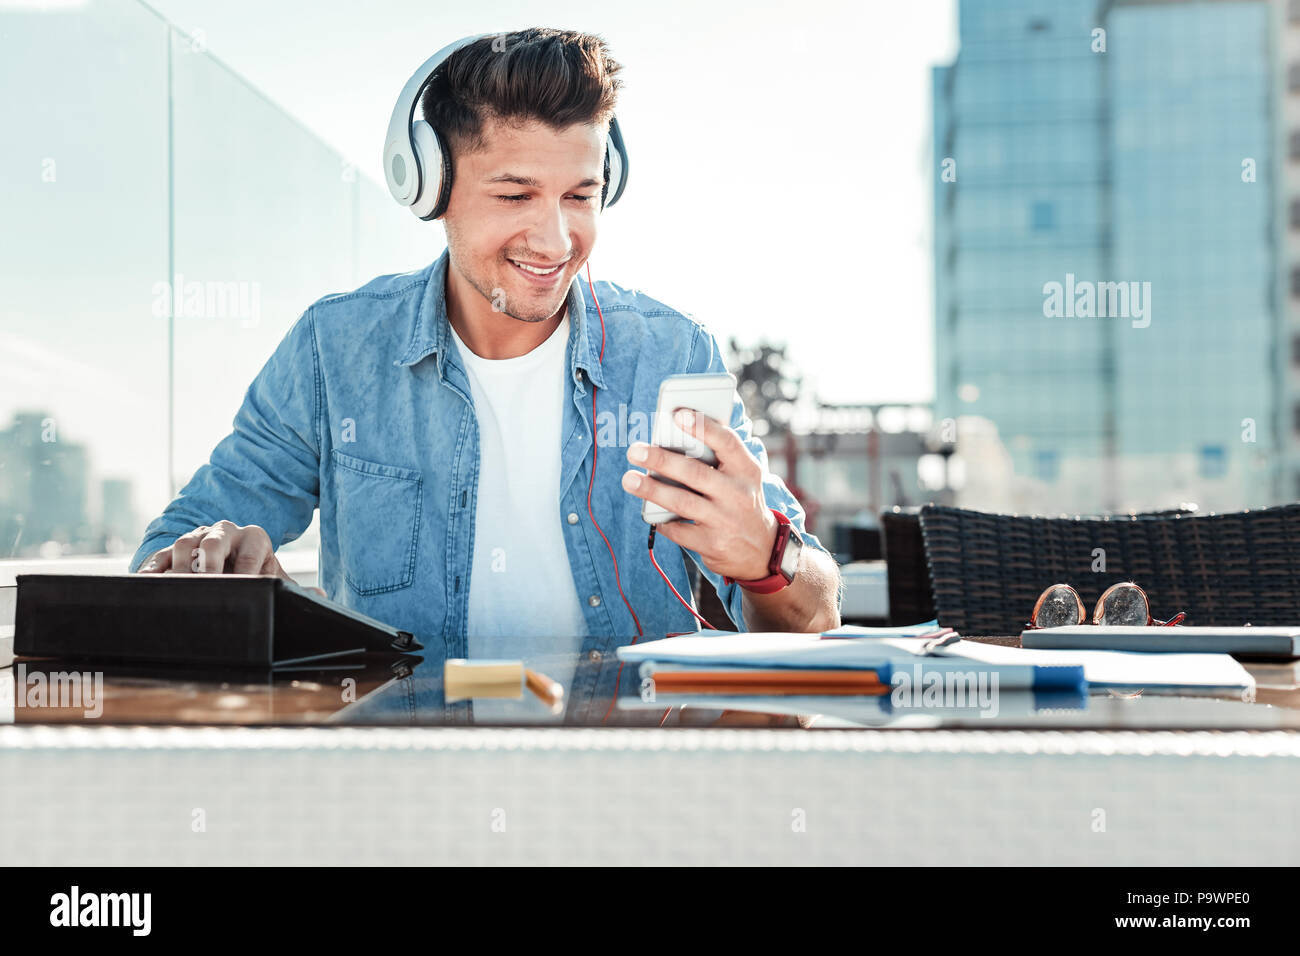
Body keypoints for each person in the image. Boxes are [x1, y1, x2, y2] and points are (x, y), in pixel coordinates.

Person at [130, 28, 842, 669]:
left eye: (580, 196)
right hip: (411, 774)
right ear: (430, 185)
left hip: (628, 780)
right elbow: (162, 560)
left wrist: (766, 558)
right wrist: (209, 564)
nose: (557, 240)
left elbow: (815, 615)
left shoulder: (668, 353)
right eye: (515, 196)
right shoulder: (335, 349)